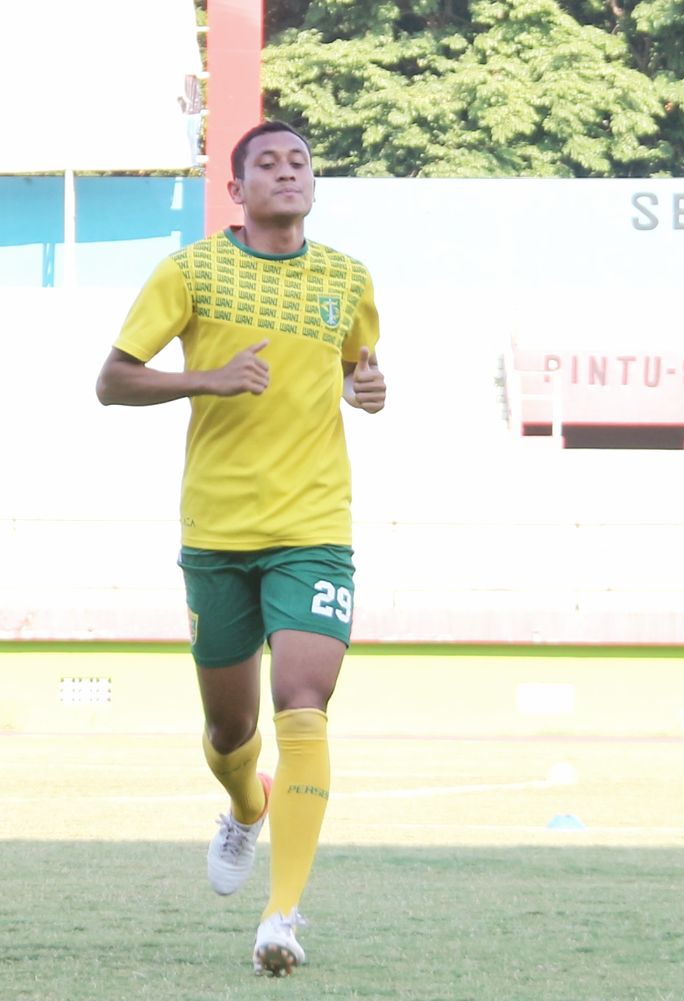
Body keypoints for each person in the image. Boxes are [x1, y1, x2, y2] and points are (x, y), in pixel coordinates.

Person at [95, 120, 387, 977]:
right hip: (217, 532)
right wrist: (204, 377)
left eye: (300, 160)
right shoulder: (191, 271)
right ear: (237, 187)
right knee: (231, 729)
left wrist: (369, 388)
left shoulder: (348, 276)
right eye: (268, 162)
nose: (288, 172)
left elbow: (359, 372)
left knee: (305, 698)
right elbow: (112, 379)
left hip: (314, 529)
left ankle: (281, 916)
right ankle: (242, 805)